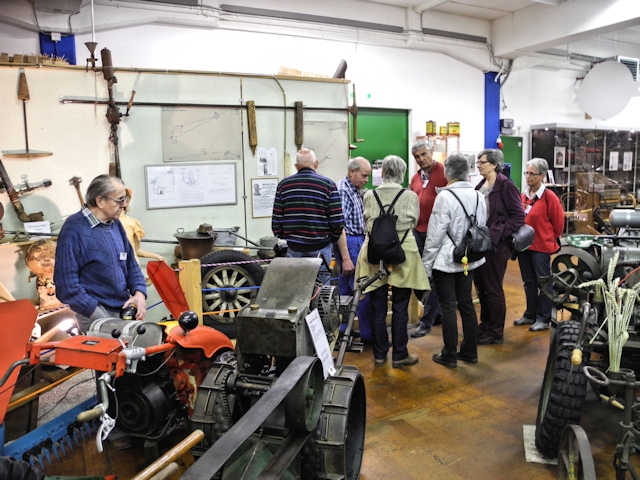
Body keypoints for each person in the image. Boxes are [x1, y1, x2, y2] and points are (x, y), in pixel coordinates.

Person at [355, 155, 430, 368]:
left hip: (374, 252)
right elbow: (414, 221)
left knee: (377, 306)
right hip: (403, 252)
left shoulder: (369, 194)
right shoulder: (410, 196)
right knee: (400, 305)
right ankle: (399, 355)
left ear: (383, 173)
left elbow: (366, 220)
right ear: (402, 173)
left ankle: (379, 355)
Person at [54, 174, 147, 334]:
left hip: (123, 307)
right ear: (100, 201)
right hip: (95, 311)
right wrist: (92, 311)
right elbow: (66, 286)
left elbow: (131, 264)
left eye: (125, 199)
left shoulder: (115, 224)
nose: (124, 205)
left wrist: (139, 293)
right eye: (119, 200)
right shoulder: (73, 229)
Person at [423, 153, 487, 368]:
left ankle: (449, 354)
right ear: (467, 172)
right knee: (467, 304)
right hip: (470, 259)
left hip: (447, 261)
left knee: (448, 306)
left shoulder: (445, 197)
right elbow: (481, 225)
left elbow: (435, 235)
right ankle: (470, 351)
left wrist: (426, 266)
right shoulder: (479, 195)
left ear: (447, 172)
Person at [474, 149, 526, 345]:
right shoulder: (481, 185)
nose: (478, 164)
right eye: (478, 161)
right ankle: (485, 326)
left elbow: (519, 216)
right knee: (482, 288)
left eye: (482, 162)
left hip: (496, 246)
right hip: (481, 244)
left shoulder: (506, 185)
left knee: (493, 288)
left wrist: (498, 233)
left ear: (494, 164)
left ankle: (495, 332)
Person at [272, 148, 344, 281]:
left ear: (296, 166)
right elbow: (337, 221)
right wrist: (330, 238)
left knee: (295, 289)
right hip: (321, 248)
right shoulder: (328, 185)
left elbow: (277, 220)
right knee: (322, 291)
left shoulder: (283, 186)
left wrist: (286, 236)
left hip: (294, 248)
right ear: (316, 164)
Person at [514, 158, 565, 332]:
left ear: (542, 176)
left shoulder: (549, 197)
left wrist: (549, 237)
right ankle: (530, 314)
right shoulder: (523, 195)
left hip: (541, 248)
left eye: (532, 174)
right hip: (524, 247)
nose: (528, 177)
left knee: (544, 282)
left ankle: (544, 318)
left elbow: (558, 224)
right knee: (528, 282)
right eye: (526, 173)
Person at [409, 139, 447, 338]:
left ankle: (427, 321)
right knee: (419, 278)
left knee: (434, 278)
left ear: (432, 152)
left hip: (437, 234)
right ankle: (436, 312)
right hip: (417, 232)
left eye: (424, 154)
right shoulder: (415, 178)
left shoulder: (444, 173)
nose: (421, 159)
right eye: (417, 157)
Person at [335, 157, 373, 341]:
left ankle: (344, 332)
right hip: (351, 243)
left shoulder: (354, 189)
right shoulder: (343, 191)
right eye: (364, 175)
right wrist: (347, 258)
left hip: (356, 241)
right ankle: (368, 334)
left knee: (347, 291)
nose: (366, 179)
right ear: (352, 172)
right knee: (362, 290)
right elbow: (339, 226)